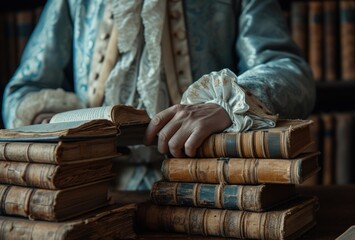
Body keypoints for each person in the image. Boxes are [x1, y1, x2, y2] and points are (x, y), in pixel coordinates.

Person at [2, 0, 315, 190]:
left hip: (210, 187)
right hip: (90, 192)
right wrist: (48, 122)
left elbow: (291, 72)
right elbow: (23, 91)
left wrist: (228, 103)